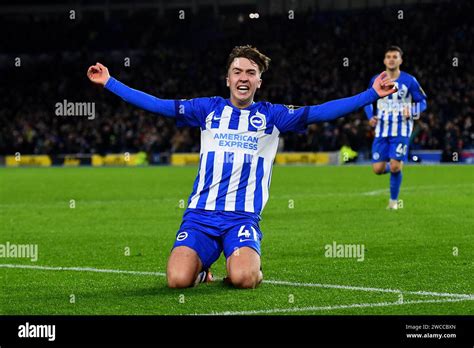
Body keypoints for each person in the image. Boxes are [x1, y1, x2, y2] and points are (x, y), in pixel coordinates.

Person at [87, 45, 396, 289]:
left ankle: (246, 264)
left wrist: (371, 95)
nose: (243, 77)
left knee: (244, 279)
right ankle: (202, 268)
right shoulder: (207, 109)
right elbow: (158, 104)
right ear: (228, 79)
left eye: (251, 72)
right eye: (238, 72)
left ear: (259, 81)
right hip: (200, 216)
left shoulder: (273, 115)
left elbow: (320, 112)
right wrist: (110, 82)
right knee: (176, 281)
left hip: (242, 217)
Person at [364, 46, 427, 209]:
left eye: (395, 56)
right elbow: (366, 101)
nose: (391, 59)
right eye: (388, 56)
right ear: (384, 60)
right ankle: (395, 165)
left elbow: (423, 102)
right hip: (382, 128)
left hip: (402, 128)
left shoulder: (409, 80)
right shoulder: (376, 80)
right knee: (377, 169)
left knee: (394, 166)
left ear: (401, 60)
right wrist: (371, 117)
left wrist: (412, 110)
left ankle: (393, 202)